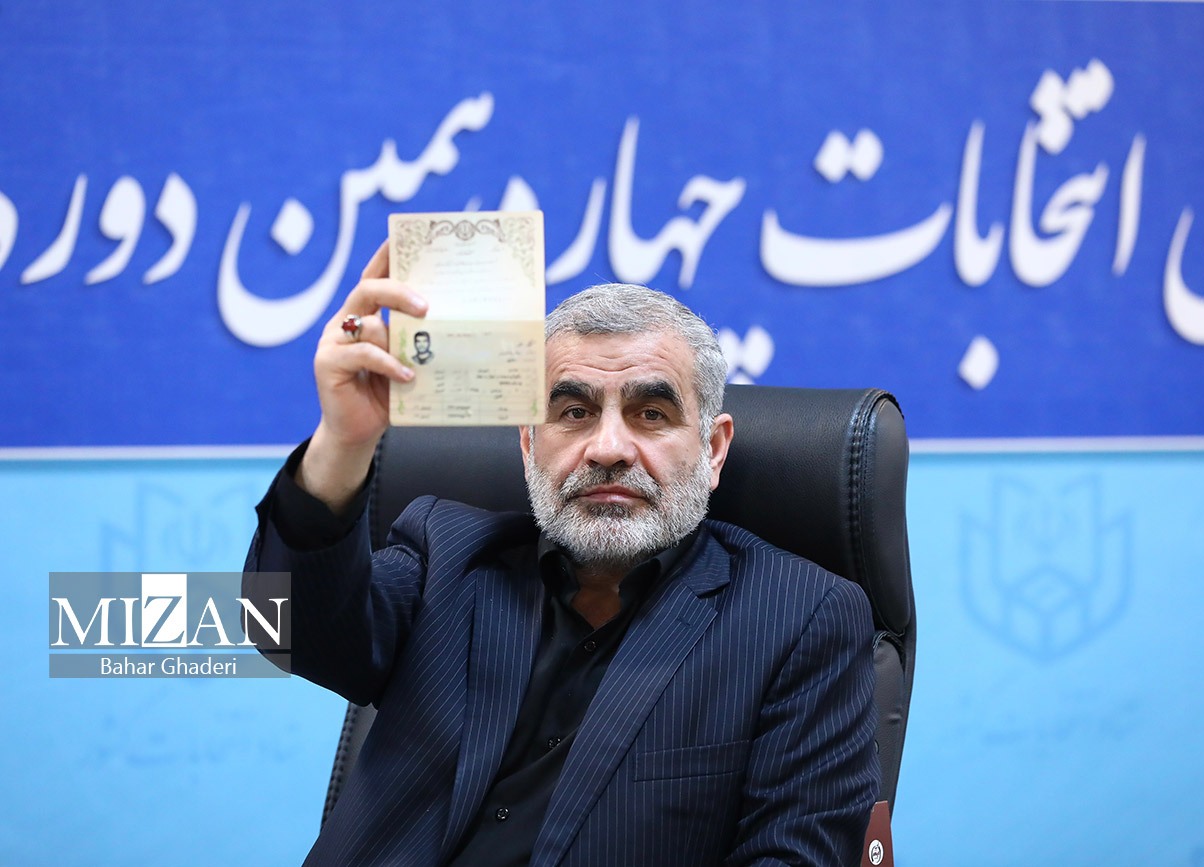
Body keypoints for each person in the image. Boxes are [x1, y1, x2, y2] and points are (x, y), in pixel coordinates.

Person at [243, 242, 880, 866]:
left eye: (651, 414)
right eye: (574, 412)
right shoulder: (446, 555)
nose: (609, 448)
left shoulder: (800, 619)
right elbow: (283, 631)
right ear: (528, 443)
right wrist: (342, 444)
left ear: (713, 450)